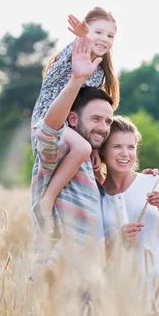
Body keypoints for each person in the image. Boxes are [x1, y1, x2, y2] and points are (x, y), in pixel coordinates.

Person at [30, 34, 114, 283]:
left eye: (108, 121)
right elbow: (50, 128)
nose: (104, 127)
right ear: (73, 119)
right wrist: (77, 80)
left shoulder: (90, 163)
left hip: (88, 277)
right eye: (96, 119)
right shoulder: (57, 152)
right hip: (59, 281)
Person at [31, 6, 120, 236]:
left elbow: (84, 113)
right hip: (47, 123)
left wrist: (96, 152)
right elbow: (78, 53)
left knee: (90, 155)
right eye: (98, 32)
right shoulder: (71, 56)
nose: (104, 39)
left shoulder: (98, 73)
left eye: (110, 35)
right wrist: (83, 37)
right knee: (83, 147)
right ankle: (46, 201)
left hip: (70, 128)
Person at [96, 116, 159, 316]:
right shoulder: (95, 196)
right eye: (117, 147)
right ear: (103, 151)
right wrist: (117, 241)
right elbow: (90, 257)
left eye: (131, 147)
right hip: (119, 306)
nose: (125, 154)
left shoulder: (155, 183)